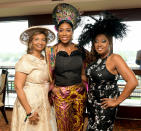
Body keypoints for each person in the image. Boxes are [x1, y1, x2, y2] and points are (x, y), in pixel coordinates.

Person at [78, 12, 138, 131]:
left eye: (103, 41)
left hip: (105, 106)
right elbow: (88, 79)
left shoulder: (115, 58)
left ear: (109, 43)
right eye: (96, 41)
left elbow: (133, 82)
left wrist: (117, 101)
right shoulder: (96, 61)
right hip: (91, 105)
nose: (99, 44)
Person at [46, 3, 87, 131]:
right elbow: (47, 74)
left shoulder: (80, 49)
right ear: (57, 32)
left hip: (79, 93)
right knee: (63, 127)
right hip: (61, 93)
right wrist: (53, 89)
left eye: (68, 30)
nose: (64, 33)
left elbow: (83, 73)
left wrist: (84, 88)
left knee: (78, 125)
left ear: (72, 32)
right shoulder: (51, 51)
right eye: (61, 30)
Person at [11, 26, 57, 131]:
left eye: (43, 39)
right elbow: (18, 87)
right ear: (31, 42)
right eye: (36, 39)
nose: (40, 42)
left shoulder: (47, 59)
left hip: (46, 102)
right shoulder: (25, 59)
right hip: (29, 102)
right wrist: (29, 111)